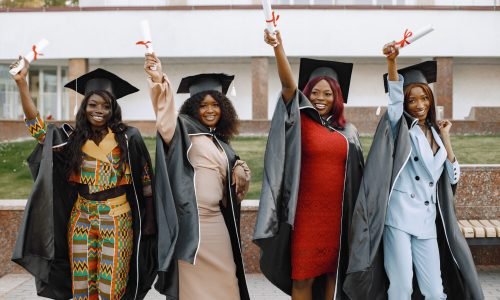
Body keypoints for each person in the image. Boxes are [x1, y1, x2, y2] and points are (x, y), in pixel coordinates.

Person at [343, 42, 484, 299]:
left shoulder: (437, 135)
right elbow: (394, 101)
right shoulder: (401, 130)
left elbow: (452, 177)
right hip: (398, 218)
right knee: (401, 287)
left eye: (424, 98)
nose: (419, 105)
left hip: (426, 221)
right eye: (412, 100)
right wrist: (392, 63)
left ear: (431, 101)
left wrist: (446, 138)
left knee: (434, 291)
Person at [10, 59, 158, 300]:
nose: (99, 110)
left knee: (111, 287)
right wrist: (22, 84)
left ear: (114, 109)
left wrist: (150, 220)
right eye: (93, 104)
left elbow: (146, 182)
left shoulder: (129, 137)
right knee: (82, 286)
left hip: (117, 217)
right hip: (82, 217)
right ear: (84, 107)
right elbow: (37, 129)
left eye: (106, 106)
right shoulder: (71, 138)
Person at [253, 30, 364, 300]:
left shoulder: (348, 131)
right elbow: (287, 85)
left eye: (327, 93)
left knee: (332, 276)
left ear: (337, 98)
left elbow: (359, 176)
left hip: (338, 217)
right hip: (305, 216)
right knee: (302, 277)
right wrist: (278, 47)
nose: (320, 98)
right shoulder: (300, 121)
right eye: (314, 92)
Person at [144, 53, 251, 300]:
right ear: (193, 107)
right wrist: (159, 80)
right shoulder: (180, 129)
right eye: (203, 105)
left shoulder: (220, 143)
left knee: (228, 284)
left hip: (216, 224)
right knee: (193, 292)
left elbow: (230, 177)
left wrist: (238, 166)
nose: (210, 110)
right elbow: (165, 118)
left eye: (215, 105)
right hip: (190, 226)